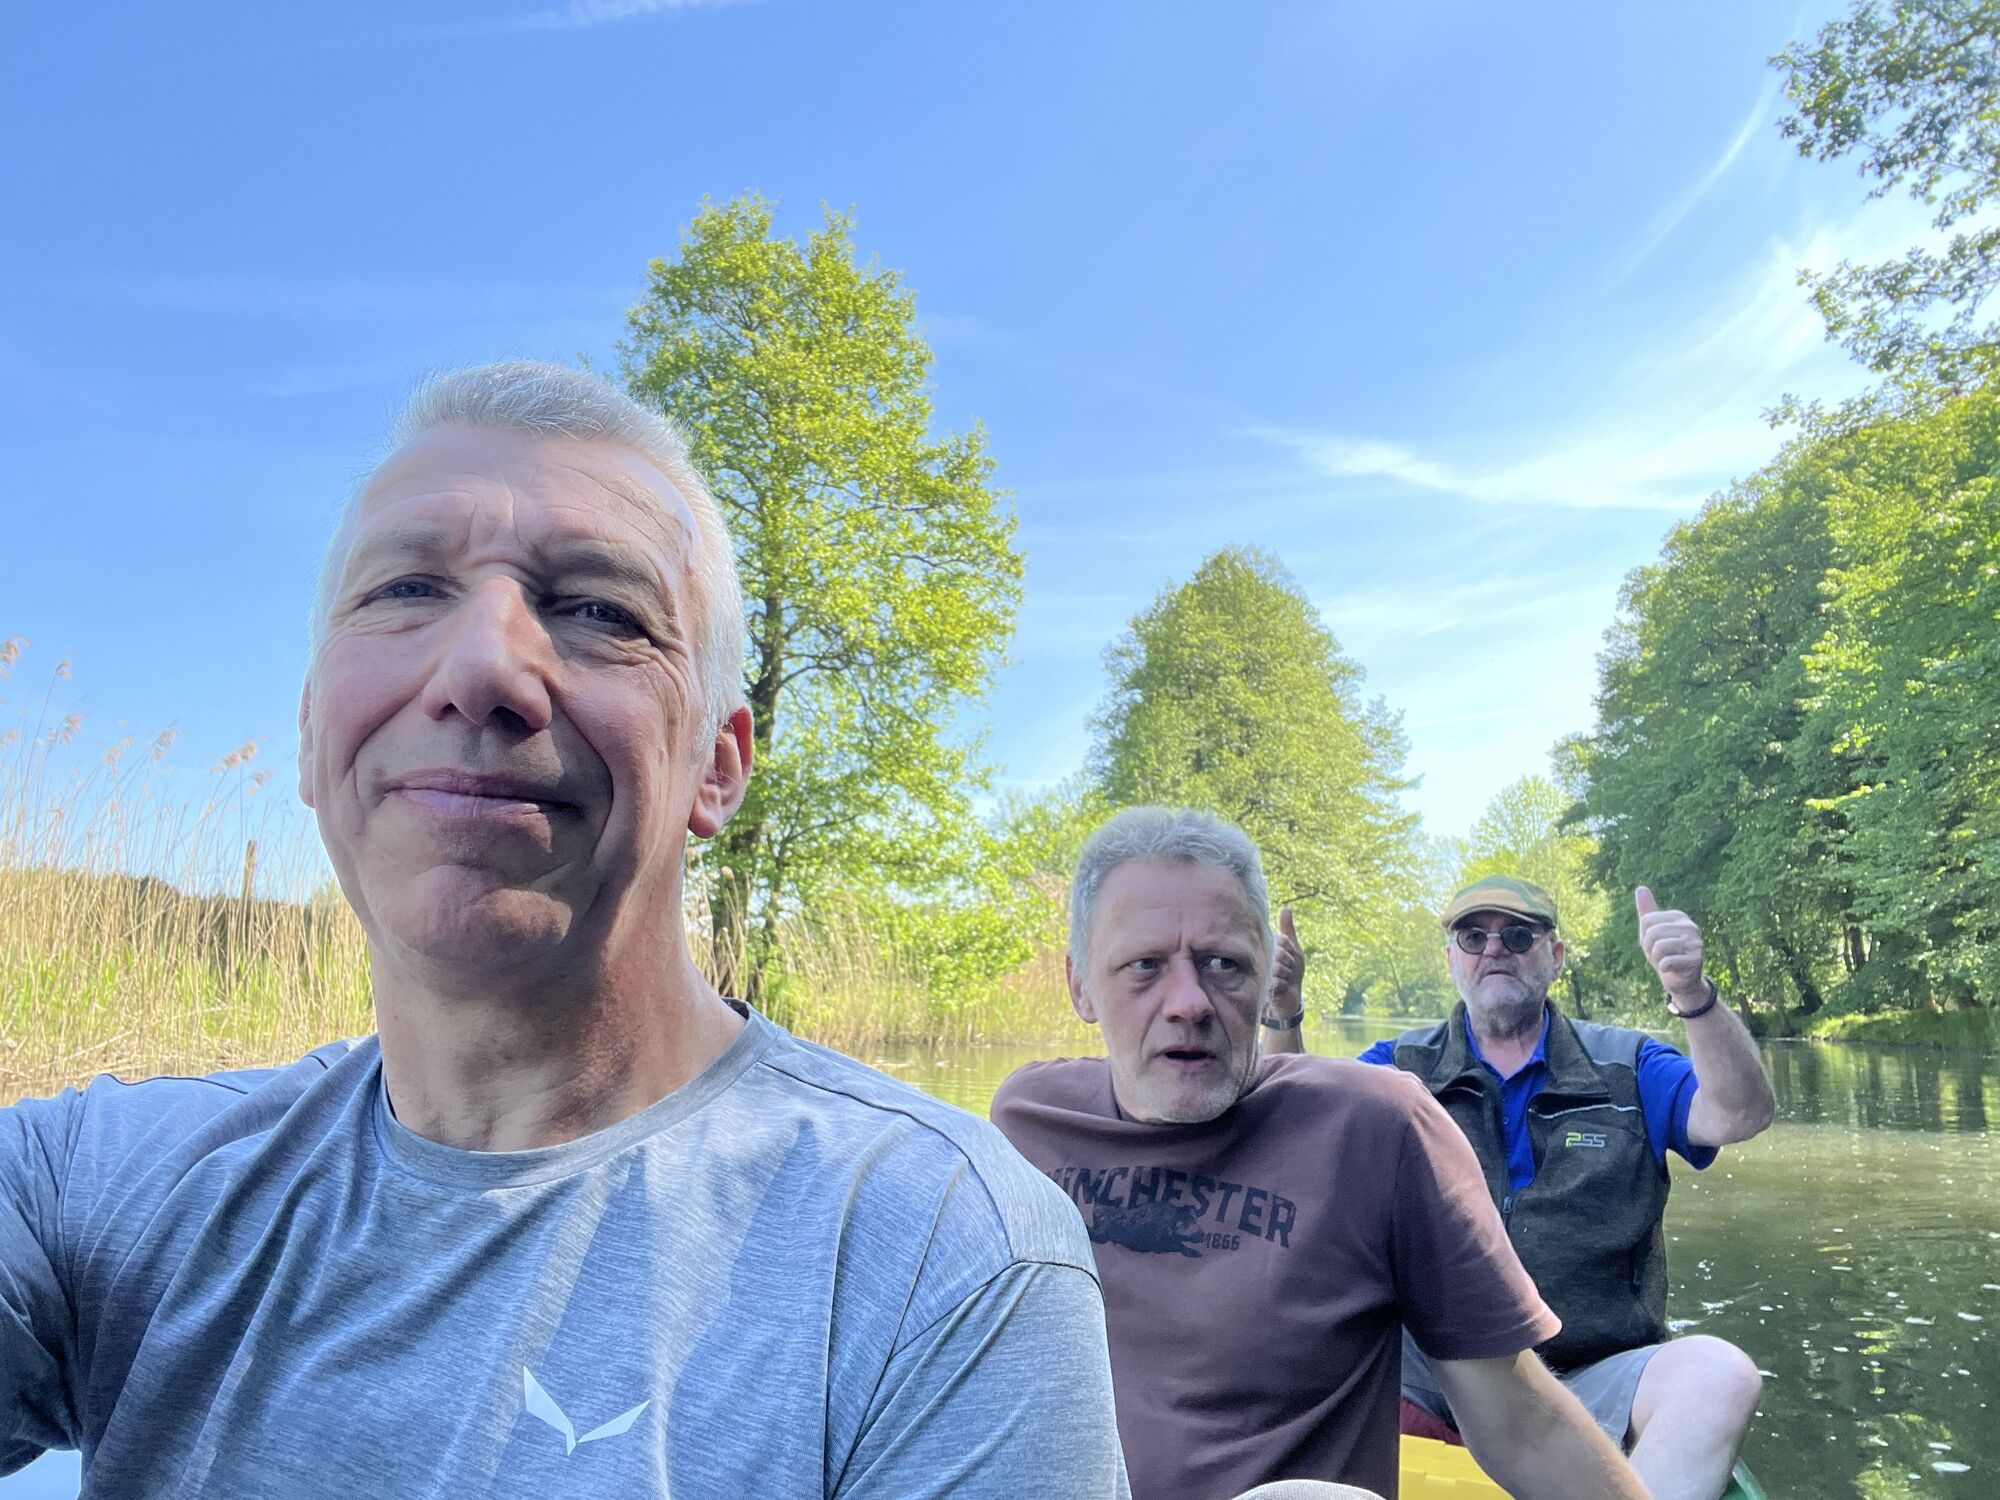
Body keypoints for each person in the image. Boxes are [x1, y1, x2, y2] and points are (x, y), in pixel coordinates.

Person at [0, 362, 1130, 1498]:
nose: (483, 667)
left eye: (600, 611)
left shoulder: (938, 1257)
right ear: (308, 732)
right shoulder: (93, 1189)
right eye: (405, 588)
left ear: (717, 767)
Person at [991, 808, 1648, 1500]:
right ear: (1080, 986)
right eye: (1144, 966)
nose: (1188, 1002)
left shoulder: (1379, 1128)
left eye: (1223, 965)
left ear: (1266, 980)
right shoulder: (1025, 1123)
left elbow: (1524, 1428)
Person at [1332, 873, 1775, 1500]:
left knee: (1721, 1376)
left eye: (1518, 936)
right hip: (1427, 1374)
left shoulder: (1629, 1065)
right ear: (1452, 957)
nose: (1495, 949)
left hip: (1588, 1376)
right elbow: (1302, 1138)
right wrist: (1281, 1016)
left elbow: (1739, 1114)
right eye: (1473, 936)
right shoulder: (1395, 1070)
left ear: (1556, 956)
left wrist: (1691, 993)